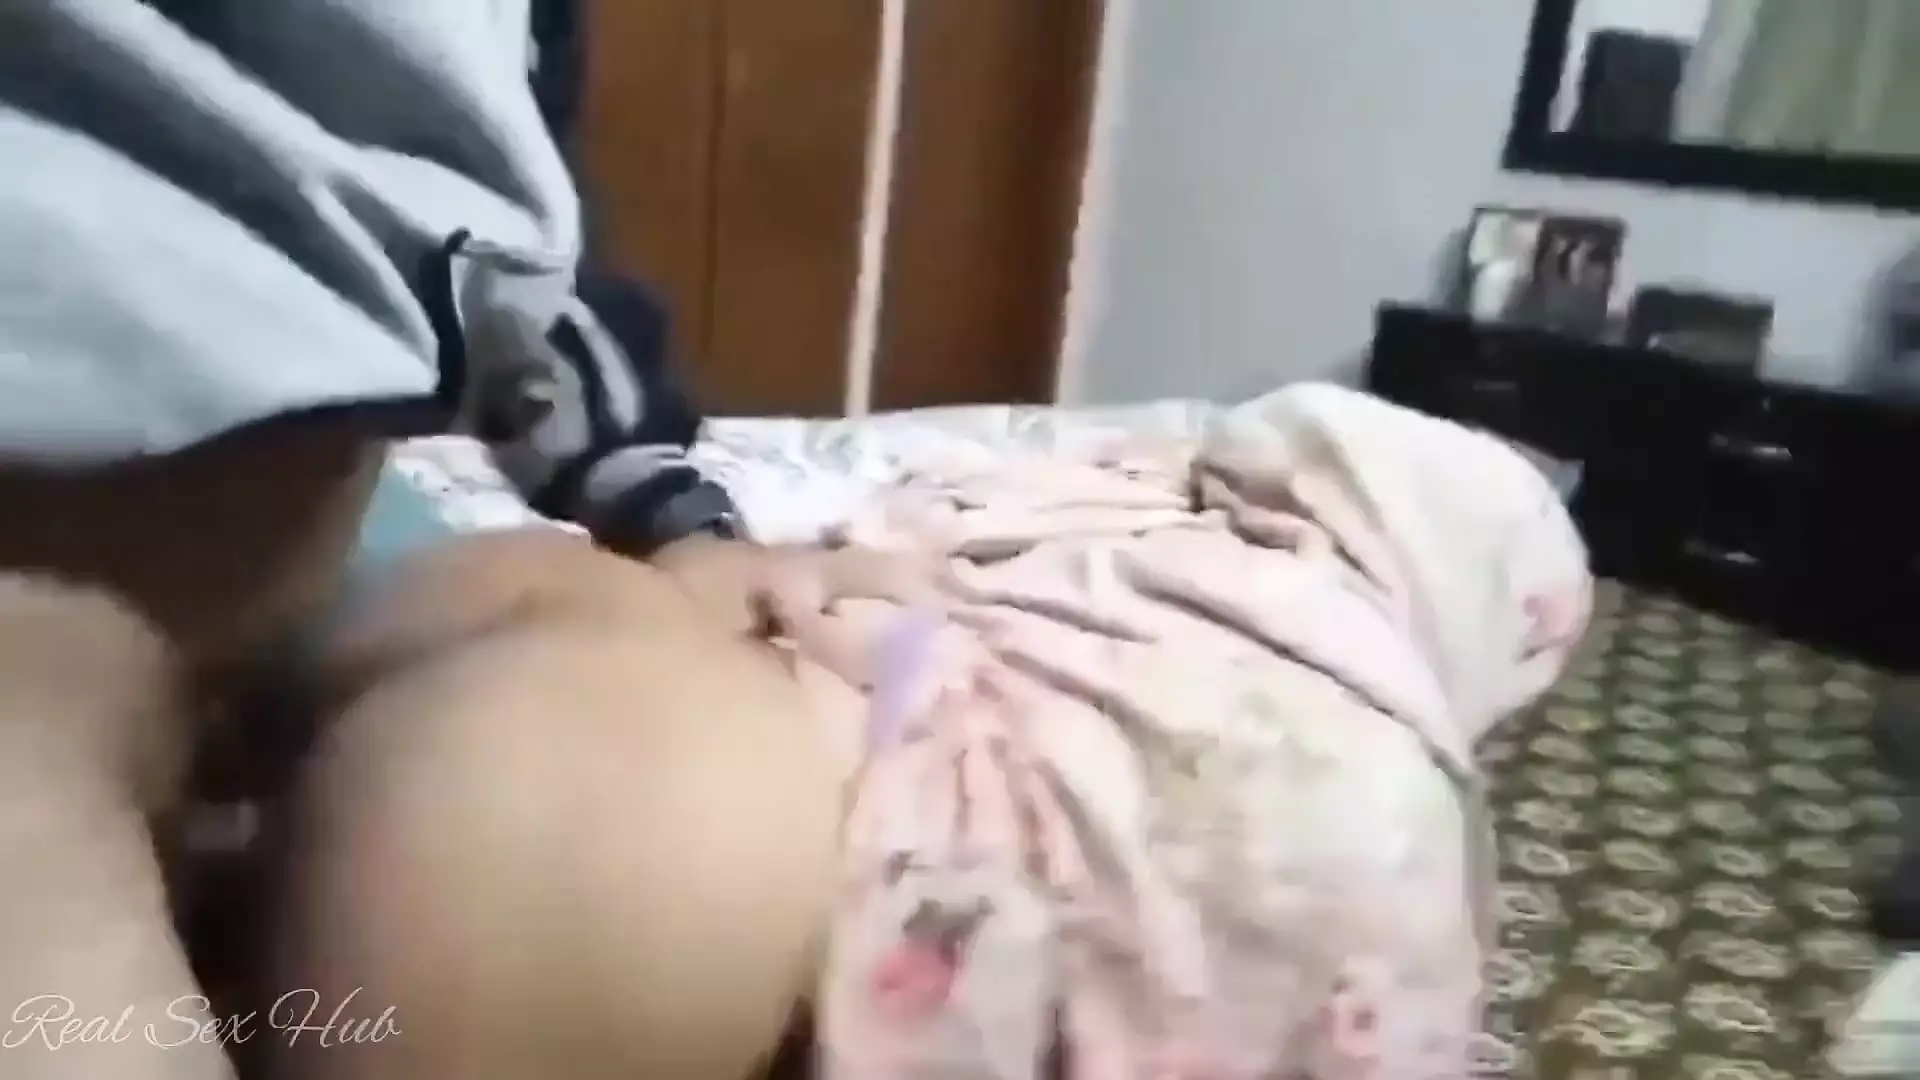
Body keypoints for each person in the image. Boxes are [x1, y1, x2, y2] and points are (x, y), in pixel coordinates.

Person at [0, 2, 906, 1077]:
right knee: (33, 804)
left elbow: (516, 245)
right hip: (57, 552)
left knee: (604, 672)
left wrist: (665, 517)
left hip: (314, 520)